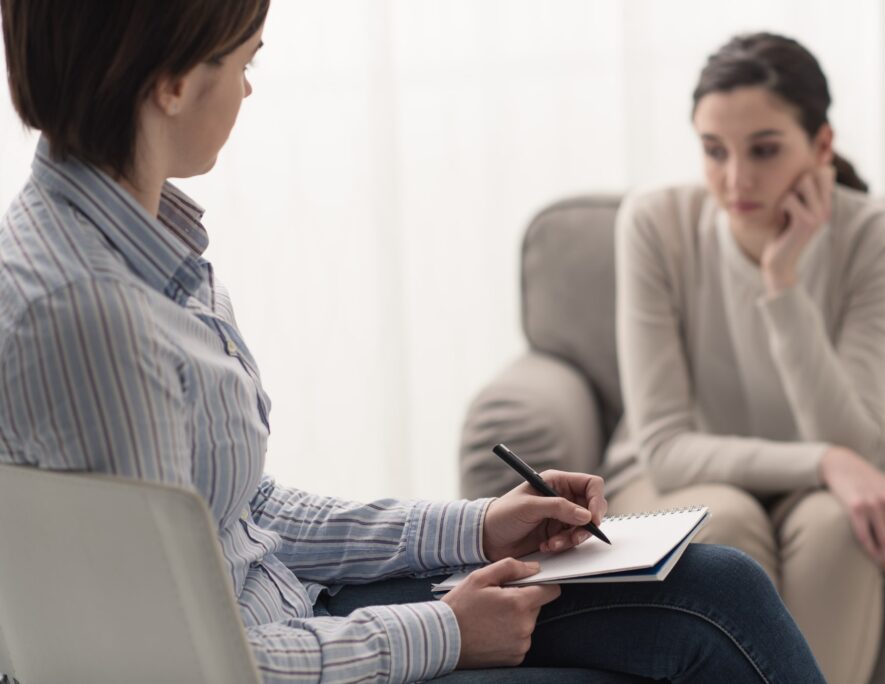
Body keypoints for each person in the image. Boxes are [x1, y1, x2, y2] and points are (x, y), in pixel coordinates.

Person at [0, 4, 826, 683]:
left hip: (288, 613)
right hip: (272, 656)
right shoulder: (88, 315)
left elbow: (242, 512)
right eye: (245, 59)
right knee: (696, 630)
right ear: (173, 84)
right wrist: (441, 632)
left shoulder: (142, 249)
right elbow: (160, 665)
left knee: (719, 587)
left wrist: (479, 528)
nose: (250, 89)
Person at [607, 32, 885, 684]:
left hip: (829, 482)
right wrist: (826, 461)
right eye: (713, 151)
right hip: (685, 477)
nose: (736, 180)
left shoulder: (872, 232)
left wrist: (781, 283)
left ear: (821, 146)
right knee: (722, 520)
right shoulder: (653, 224)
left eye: (763, 150)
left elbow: (854, 438)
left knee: (845, 528)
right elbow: (668, 448)